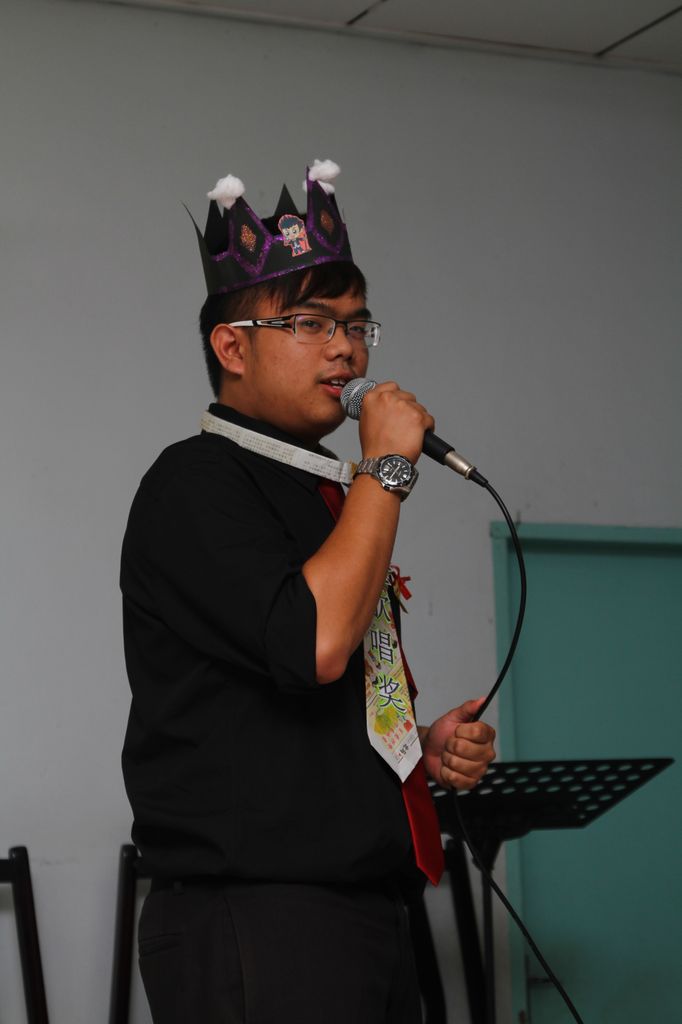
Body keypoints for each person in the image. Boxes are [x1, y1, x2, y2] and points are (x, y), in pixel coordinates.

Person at [121, 159, 496, 1024]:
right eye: (310, 323)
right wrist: (388, 466)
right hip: (259, 917)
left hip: (366, 909)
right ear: (231, 347)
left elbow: (311, 699)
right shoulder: (196, 482)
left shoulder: (324, 491)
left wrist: (416, 747)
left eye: (357, 324)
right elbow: (317, 643)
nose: (345, 348)